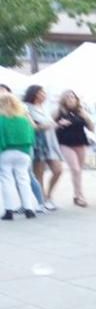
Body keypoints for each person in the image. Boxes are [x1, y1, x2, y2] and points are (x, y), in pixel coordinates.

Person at [23, 85, 63, 211]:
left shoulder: (45, 108)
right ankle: (42, 199)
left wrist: (56, 125)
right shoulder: (27, 108)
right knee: (39, 172)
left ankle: (48, 196)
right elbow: (32, 126)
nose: (44, 95)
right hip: (38, 142)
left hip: (51, 141)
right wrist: (47, 125)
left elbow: (50, 124)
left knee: (58, 170)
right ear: (34, 94)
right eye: (41, 92)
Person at [0, 92, 39, 220]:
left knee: (7, 180)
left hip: (5, 151)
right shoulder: (24, 119)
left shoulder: (1, 119)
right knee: (24, 179)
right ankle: (29, 209)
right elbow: (32, 135)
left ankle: (9, 210)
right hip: (24, 152)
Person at [53, 90, 94, 207]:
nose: (71, 99)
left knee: (78, 170)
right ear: (63, 99)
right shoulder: (58, 112)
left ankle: (77, 195)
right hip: (65, 142)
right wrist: (59, 124)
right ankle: (80, 196)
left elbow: (91, 128)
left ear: (76, 99)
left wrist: (86, 117)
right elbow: (50, 126)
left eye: (73, 97)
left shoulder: (80, 111)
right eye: (68, 97)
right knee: (75, 169)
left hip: (80, 142)